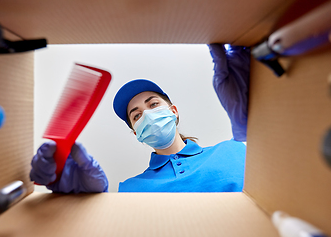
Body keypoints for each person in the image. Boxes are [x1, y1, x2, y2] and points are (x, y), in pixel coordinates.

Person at [29, 43, 250, 193]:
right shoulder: (131, 188)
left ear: (173, 111)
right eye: (137, 115)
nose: (147, 115)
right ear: (137, 132)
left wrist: (256, 124)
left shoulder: (234, 150)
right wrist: (87, 204)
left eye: (153, 104)